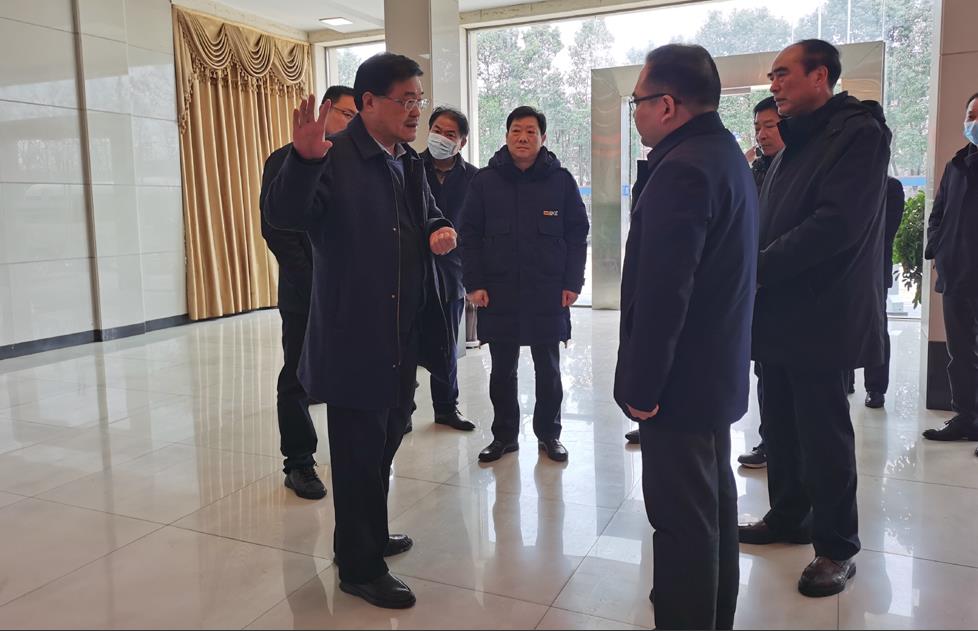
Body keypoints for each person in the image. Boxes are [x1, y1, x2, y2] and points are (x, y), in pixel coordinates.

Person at [263, 53, 458, 609]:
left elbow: (426, 212)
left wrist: (440, 227)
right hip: (354, 334)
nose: (416, 111)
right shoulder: (331, 156)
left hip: (401, 332)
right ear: (369, 102)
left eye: (419, 100)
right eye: (407, 100)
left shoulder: (407, 160)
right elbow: (285, 216)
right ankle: (359, 566)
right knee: (356, 454)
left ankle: (365, 533)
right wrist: (303, 160)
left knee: (386, 439)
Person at [739, 40, 891, 598]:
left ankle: (836, 547)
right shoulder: (794, 141)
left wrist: (757, 267)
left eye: (783, 74)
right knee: (780, 424)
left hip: (822, 312)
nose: (774, 84)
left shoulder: (857, 134)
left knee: (824, 433)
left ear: (820, 76)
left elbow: (836, 225)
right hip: (778, 308)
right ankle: (788, 516)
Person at [614, 44, 757, 631]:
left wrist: (642, 386)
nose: (637, 114)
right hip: (713, 371)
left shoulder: (681, 170)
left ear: (667, 105)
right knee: (713, 510)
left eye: (638, 102)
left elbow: (663, 293)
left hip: (679, 381)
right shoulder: (725, 156)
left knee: (681, 523)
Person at [460, 106, 589, 464]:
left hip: (548, 291)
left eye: (531, 132)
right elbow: (469, 235)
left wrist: (573, 282)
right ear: (506, 136)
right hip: (498, 292)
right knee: (502, 370)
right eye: (516, 130)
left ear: (543, 138)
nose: (523, 138)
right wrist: (474, 283)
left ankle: (550, 434)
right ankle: (504, 436)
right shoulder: (485, 182)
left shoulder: (561, 181)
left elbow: (577, 234)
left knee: (549, 369)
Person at [259, 85, 357, 501]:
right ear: (325, 111)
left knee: (349, 375)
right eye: (346, 114)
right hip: (306, 292)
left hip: (351, 292)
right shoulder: (286, 159)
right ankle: (298, 462)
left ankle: (354, 457)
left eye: (357, 117)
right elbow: (277, 230)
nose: (351, 123)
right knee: (297, 375)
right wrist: (317, 281)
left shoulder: (354, 163)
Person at [412, 106, 480, 432]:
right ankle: (402, 407)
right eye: (437, 130)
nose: (441, 137)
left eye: (450, 134)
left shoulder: (474, 178)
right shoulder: (409, 166)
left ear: (462, 142)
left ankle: (446, 407)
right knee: (405, 341)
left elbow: (479, 226)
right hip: (412, 267)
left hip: (452, 271)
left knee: (446, 342)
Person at [922, 91, 978, 449]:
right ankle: (965, 417)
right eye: (972, 115)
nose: (975, 122)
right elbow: (938, 213)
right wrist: (937, 249)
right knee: (960, 352)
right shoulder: (956, 164)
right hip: (957, 272)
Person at [737, 95, 785, 469]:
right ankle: (771, 441)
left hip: (790, 287)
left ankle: (785, 445)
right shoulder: (757, 170)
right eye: (757, 128)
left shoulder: (801, 170)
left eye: (770, 125)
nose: (762, 134)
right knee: (766, 371)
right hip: (758, 288)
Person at [861, 176, 906, 408]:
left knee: (876, 327)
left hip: (875, 269)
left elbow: (885, 232)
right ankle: (846, 379)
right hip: (844, 270)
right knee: (840, 322)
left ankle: (876, 387)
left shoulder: (891, 187)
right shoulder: (845, 183)